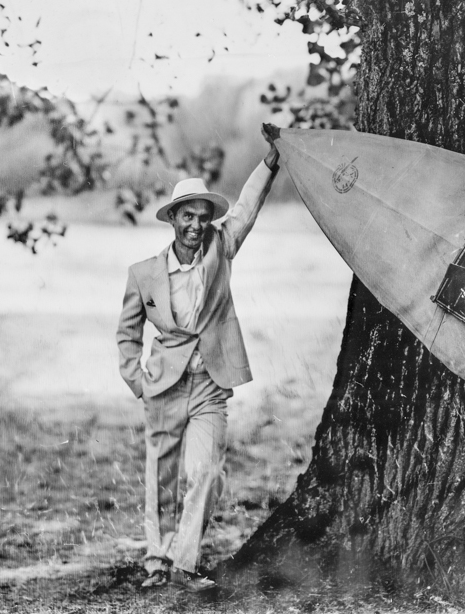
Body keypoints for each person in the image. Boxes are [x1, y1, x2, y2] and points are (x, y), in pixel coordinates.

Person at [116, 135, 280, 592]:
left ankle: (184, 565)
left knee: (206, 472)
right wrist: (138, 381)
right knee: (161, 478)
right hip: (163, 386)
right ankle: (157, 562)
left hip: (210, 382)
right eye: (187, 216)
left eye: (203, 217)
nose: (195, 225)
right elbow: (127, 334)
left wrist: (270, 162)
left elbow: (246, 207)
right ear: (172, 219)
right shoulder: (143, 273)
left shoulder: (220, 247)